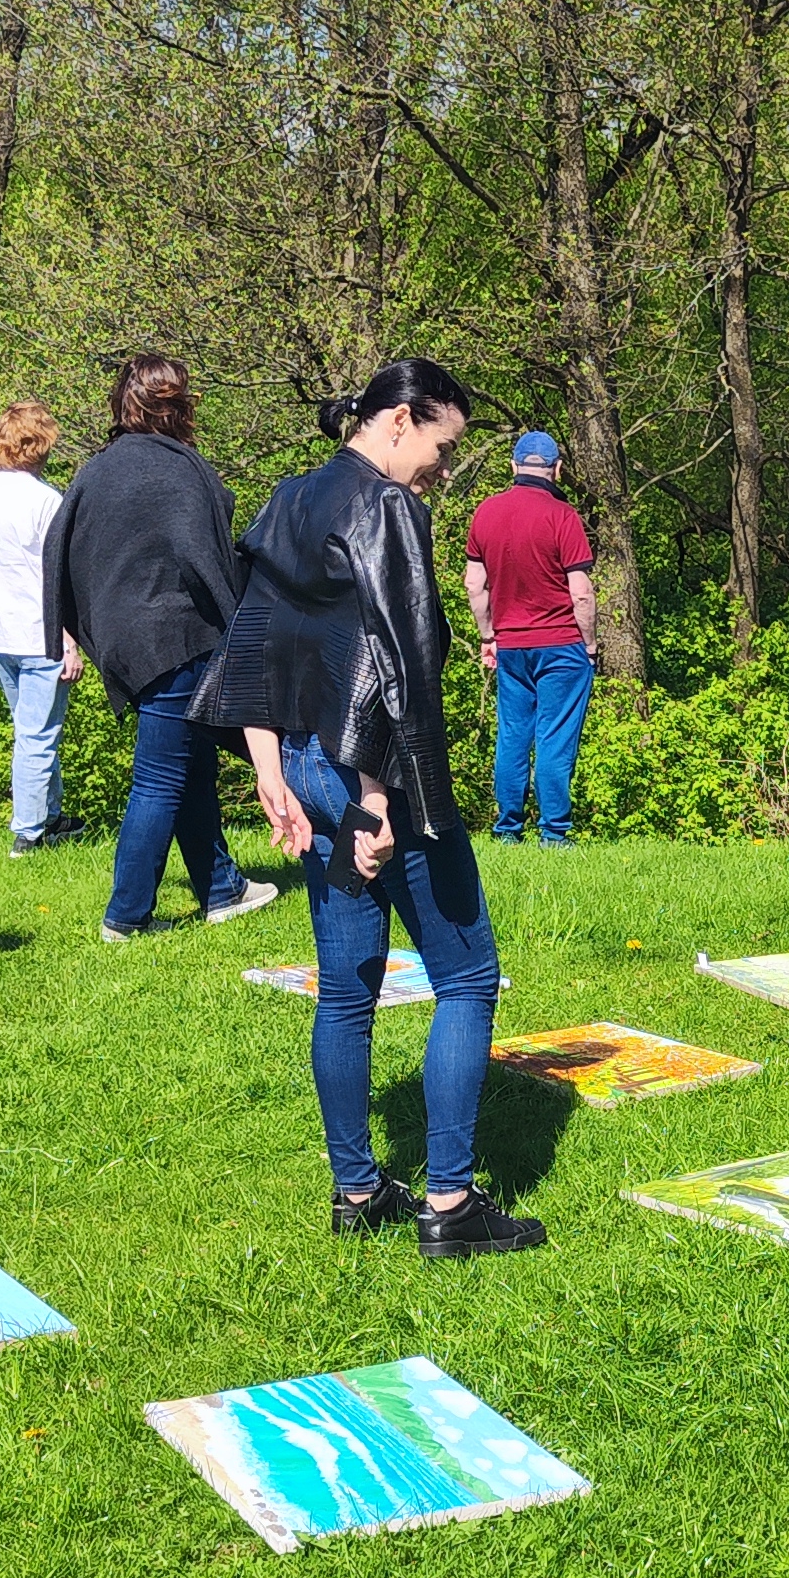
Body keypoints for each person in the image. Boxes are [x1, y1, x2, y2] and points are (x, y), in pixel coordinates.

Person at [197, 357, 545, 1258]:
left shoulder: (291, 496)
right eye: (443, 445)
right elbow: (402, 663)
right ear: (399, 420)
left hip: (305, 767)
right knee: (466, 977)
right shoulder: (388, 507)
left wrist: (269, 771)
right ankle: (451, 1205)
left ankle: (357, 1191)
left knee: (347, 988)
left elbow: (251, 641)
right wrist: (380, 801)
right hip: (377, 781)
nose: (445, 469)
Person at [44, 352, 280, 940]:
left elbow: (61, 551)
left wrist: (81, 627)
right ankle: (126, 915)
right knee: (158, 778)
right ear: (177, 406)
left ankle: (222, 889)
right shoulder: (181, 469)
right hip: (176, 635)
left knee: (190, 763)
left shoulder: (97, 470)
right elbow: (207, 553)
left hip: (129, 640)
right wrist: (238, 627)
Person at [0, 399, 83, 857]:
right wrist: (70, 641)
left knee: (30, 729)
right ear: (40, 446)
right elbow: (61, 578)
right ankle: (28, 832)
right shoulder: (44, 500)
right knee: (37, 735)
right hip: (38, 634)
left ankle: (50, 815)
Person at [463, 429, 599, 844]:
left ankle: (507, 830)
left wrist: (488, 636)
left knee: (513, 735)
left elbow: (474, 585)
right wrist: (590, 646)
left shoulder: (486, 513)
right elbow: (581, 592)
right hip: (561, 645)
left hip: (512, 646)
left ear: (513, 467)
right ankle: (554, 833)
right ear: (557, 469)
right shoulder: (563, 516)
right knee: (554, 738)